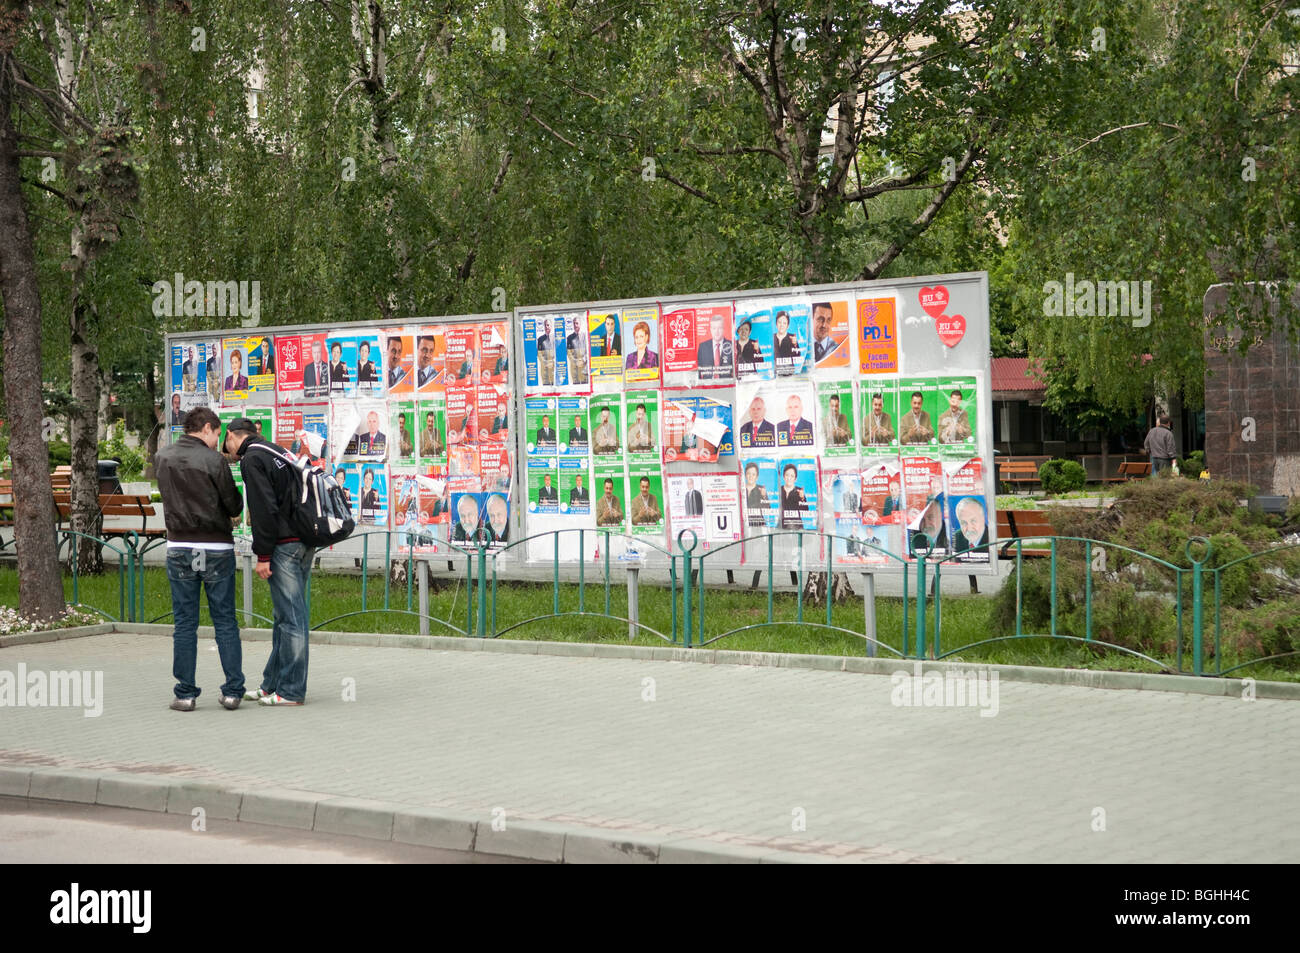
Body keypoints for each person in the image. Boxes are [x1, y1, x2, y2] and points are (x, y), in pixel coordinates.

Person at [155, 407, 247, 711]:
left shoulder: (163, 457)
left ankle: (185, 693)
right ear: (206, 428)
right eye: (217, 434)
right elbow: (233, 503)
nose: (217, 440)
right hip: (216, 548)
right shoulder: (214, 461)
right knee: (224, 621)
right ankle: (233, 690)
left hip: (179, 546)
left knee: (184, 623)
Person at [225, 416, 315, 706]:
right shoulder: (278, 451)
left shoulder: (252, 459)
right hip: (303, 540)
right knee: (284, 617)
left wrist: (263, 555)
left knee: (291, 619)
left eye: (226, 441)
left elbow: (264, 508)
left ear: (233, 436)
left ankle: (290, 691)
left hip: (283, 546)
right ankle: (271, 685)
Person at [696, 311, 733, 380]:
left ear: (724, 329)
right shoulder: (702, 347)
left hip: (728, 385)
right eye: (714, 328)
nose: (717, 331)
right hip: (708, 386)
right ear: (710, 330)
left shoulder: (731, 345)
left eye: (720, 328)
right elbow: (698, 370)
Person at [779, 463, 808, 529]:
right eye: (787, 475)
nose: (789, 478)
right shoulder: (779, 490)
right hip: (782, 527)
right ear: (783, 476)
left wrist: (802, 498)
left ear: (795, 478)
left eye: (792, 476)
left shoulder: (799, 491)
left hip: (796, 527)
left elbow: (806, 510)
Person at [744, 462, 769, 527]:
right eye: (748, 474)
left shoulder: (761, 489)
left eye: (753, 474)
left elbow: (768, 509)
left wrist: (764, 496)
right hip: (744, 524)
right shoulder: (741, 488)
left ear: (757, 477)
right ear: (745, 475)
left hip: (759, 524)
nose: (751, 476)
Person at [566, 318, 589, 385]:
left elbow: (589, 350)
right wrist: (575, 361)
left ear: (580, 324)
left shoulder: (585, 336)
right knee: (576, 387)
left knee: (585, 387)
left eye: (577, 323)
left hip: (584, 367)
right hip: (575, 368)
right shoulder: (569, 338)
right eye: (574, 323)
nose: (575, 325)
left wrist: (583, 359)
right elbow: (569, 352)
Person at [536, 318, 555, 386]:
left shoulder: (555, 338)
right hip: (544, 368)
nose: (546, 327)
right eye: (545, 325)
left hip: (554, 367)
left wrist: (552, 362)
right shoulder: (540, 339)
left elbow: (558, 352)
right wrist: (545, 362)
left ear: (551, 326)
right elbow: (539, 353)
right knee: (546, 386)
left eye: (548, 325)